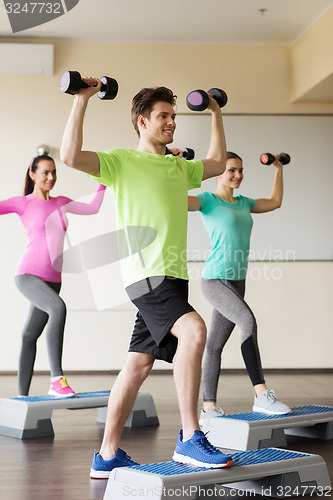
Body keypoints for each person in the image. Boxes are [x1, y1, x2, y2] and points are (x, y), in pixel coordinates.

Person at [60, 79, 233, 477]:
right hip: (145, 273)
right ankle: (191, 437)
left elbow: (218, 163)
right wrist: (83, 99)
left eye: (173, 116)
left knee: (137, 365)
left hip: (172, 275)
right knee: (194, 331)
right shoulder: (121, 161)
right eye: (163, 116)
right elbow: (69, 156)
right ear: (142, 121)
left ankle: (106, 455)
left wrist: (216, 112)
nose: (171, 122)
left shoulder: (178, 166)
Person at [188, 151, 291, 420]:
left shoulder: (244, 203)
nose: (238, 175)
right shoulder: (206, 200)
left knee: (214, 345)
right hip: (215, 279)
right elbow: (176, 198)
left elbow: (276, 202)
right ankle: (261, 394)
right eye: (232, 170)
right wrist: (176, 165)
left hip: (237, 280)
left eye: (241, 170)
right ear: (218, 172)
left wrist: (278, 169)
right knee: (247, 321)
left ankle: (208, 408)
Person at [0, 154, 106, 397]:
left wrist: (103, 180)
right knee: (58, 309)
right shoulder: (23, 203)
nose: (50, 177)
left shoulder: (61, 202)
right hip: (28, 275)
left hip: (54, 280)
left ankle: (21, 398)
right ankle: (57, 379)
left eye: (54, 172)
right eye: (45, 172)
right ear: (32, 174)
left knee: (29, 335)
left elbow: (93, 208)